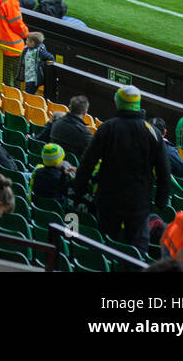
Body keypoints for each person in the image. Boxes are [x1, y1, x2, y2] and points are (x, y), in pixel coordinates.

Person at [71, 86, 170, 252]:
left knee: (106, 245)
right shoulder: (152, 132)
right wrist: (161, 201)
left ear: (118, 104)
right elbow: (163, 172)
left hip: (108, 198)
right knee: (137, 249)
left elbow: (87, 163)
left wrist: (78, 190)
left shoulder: (107, 128)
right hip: (138, 201)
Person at [41, 94, 93, 158]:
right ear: (85, 112)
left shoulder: (55, 123)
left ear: (69, 108)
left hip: (54, 161)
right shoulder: (84, 133)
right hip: (72, 167)